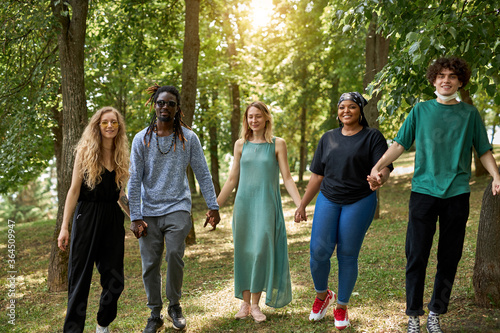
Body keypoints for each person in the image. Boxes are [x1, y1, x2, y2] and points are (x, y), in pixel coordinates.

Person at [369, 57, 500, 333]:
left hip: (457, 193)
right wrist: (378, 166)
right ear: (433, 79)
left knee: (449, 257)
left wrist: (496, 176)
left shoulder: (469, 114)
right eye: (441, 75)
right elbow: (399, 144)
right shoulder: (420, 110)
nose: (446, 80)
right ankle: (413, 316)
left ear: (460, 81)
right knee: (416, 255)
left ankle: (435, 314)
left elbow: (484, 150)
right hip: (423, 193)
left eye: (452, 76)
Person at [294, 92, 393, 330]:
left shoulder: (372, 137)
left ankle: (342, 306)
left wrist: (380, 178)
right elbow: (317, 175)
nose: (346, 111)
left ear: (360, 110)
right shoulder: (327, 138)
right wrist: (303, 204)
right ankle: (322, 296)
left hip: (359, 200)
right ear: (337, 112)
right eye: (341, 107)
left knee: (347, 254)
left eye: (351, 107)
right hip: (329, 198)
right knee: (318, 252)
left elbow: (385, 166)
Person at [128, 84, 220, 332]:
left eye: (170, 103)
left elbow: (202, 172)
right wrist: (135, 216)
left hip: (178, 207)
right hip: (148, 212)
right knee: (150, 264)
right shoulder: (141, 139)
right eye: (160, 102)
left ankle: (175, 306)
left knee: (175, 256)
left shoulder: (188, 138)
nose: (164, 107)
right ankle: (154, 313)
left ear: (177, 108)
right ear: (154, 105)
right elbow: (134, 180)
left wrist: (213, 206)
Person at [217, 101, 301, 323]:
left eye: (257, 116)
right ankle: (245, 304)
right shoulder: (240, 145)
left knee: (260, 251)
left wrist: (299, 204)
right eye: (250, 117)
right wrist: (214, 206)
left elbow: (288, 178)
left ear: (266, 118)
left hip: (266, 205)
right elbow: (232, 179)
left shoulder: (277, 144)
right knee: (244, 252)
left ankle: (255, 305)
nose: (253, 120)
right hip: (243, 205)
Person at [58, 106, 130, 333]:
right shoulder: (85, 151)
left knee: (115, 280)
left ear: (119, 127)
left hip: (112, 220)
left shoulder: (121, 155)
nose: (110, 126)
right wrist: (64, 228)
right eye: (105, 122)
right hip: (86, 216)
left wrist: (137, 218)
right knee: (79, 281)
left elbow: (120, 196)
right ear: (97, 126)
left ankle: (102, 325)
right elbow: (73, 191)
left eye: (114, 122)